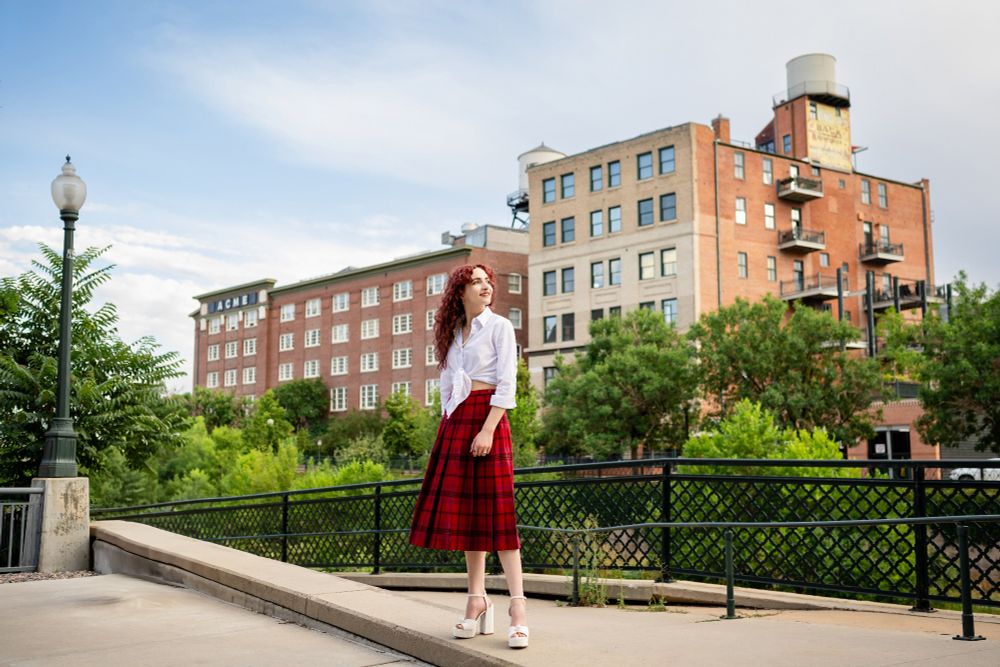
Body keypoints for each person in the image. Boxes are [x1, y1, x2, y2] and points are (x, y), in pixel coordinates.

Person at [409, 263, 529, 649]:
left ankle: (517, 607)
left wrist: (488, 428)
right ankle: (476, 600)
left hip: (487, 417)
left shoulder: (499, 327)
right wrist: (447, 424)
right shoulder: (452, 333)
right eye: (476, 282)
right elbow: (446, 382)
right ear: (460, 291)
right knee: (467, 519)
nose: (485, 286)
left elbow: (507, 381)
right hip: (457, 420)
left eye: (487, 281)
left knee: (499, 516)